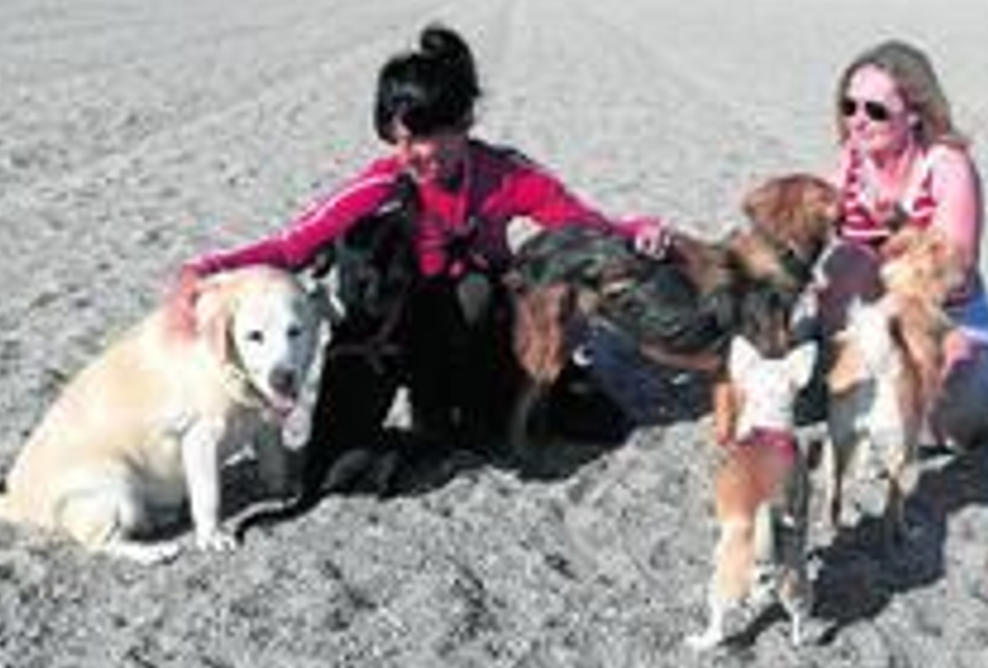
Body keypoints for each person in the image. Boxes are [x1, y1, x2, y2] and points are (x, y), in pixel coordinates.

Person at [179, 24, 667, 481]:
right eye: (406, 138)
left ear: (465, 124)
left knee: (562, 401)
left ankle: (456, 410)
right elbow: (294, 245)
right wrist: (206, 269)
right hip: (392, 331)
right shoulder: (380, 185)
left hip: (474, 329)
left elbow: (582, 226)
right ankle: (421, 413)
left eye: (434, 136)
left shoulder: (505, 174)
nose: (420, 153)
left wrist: (635, 231)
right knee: (337, 466)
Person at [811, 39, 988, 448]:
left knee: (948, 417)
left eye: (876, 110)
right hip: (878, 333)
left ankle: (912, 403)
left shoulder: (947, 167)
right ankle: (850, 390)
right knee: (843, 263)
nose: (858, 120)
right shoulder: (854, 158)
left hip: (947, 324)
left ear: (915, 113)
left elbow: (955, 274)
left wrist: (905, 231)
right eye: (849, 106)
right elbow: (808, 221)